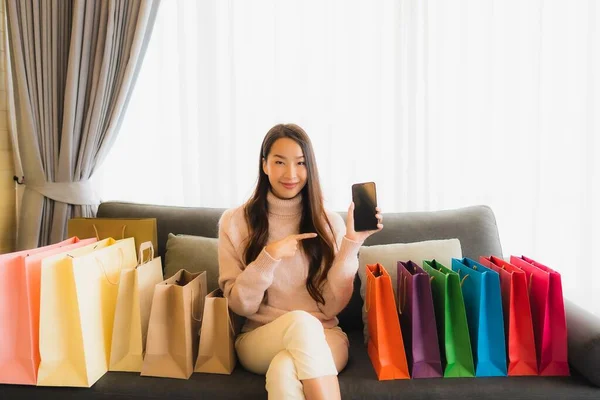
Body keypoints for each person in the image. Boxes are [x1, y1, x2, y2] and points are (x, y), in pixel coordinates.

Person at [218, 123, 383, 399]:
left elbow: (332, 305)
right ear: (265, 165)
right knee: (301, 323)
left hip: (325, 335)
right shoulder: (235, 222)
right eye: (280, 162)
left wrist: (351, 242)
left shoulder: (328, 222)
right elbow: (239, 304)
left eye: (300, 163)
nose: (291, 174)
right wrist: (267, 258)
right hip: (259, 337)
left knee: (284, 370)